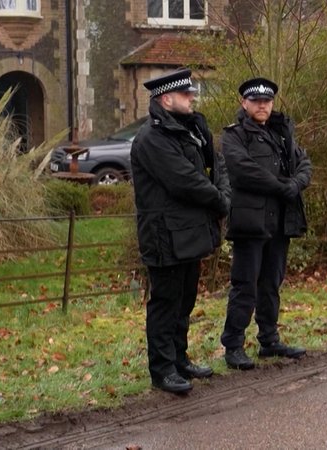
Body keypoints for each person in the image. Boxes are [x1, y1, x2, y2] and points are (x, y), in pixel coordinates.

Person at [131, 68, 231, 394]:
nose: (192, 99)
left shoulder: (187, 131)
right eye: (186, 95)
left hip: (188, 231)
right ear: (166, 98)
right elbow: (185, 181)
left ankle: (179, 359)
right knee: (166, 303)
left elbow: (215, 166)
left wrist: (222, 195)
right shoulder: (152, 139)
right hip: (164, 235)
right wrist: (220, 202)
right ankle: (162, 370)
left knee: (185, 300)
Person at [220, 77, 312, 370]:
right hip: (250, 222)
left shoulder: (282, 133)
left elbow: (304, 164)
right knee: (245, 285)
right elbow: (243, 171)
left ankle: (269, 341)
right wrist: (280, 186)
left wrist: (293, 185)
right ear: (244, 103)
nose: (263, 106)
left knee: (271, 283)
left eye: (267, 101)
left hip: (280, 222)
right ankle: (233, 345)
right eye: (257, 101)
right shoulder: (234, 136)